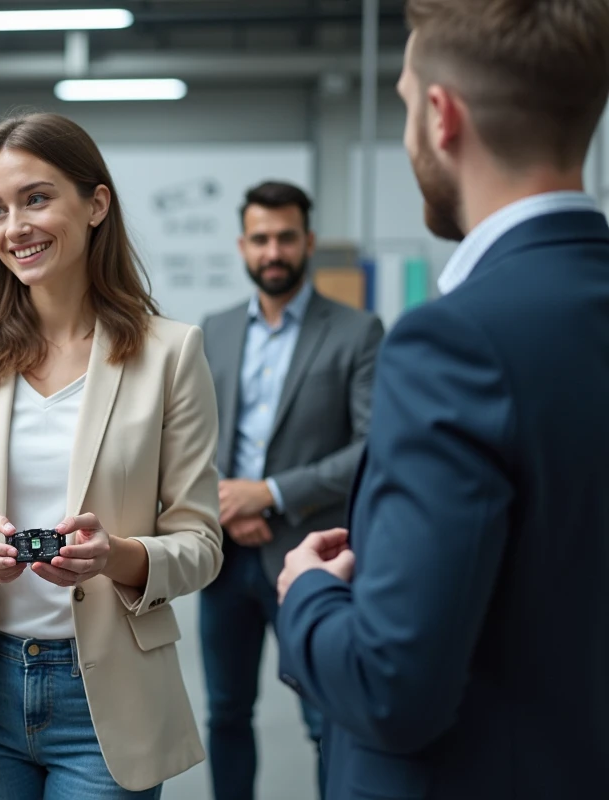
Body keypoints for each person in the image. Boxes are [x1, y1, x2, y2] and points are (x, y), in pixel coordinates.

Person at [275, 2, 609, 798]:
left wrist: (307, 593)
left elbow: (392, 688)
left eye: (401, 103)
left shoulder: (453, 343)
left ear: (440, 114)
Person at [0, 112, 224, 798]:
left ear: (96, 203)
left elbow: (201, 542)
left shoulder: (170, 354)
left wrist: (119, 556)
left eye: (36, 198)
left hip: (106, 703)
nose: (14, 226)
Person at [199, 181, 383, 800]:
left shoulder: (358, 332)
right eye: (260, 239)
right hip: (225, 553)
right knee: (225, 713)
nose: (272, 251)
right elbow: (188, 439)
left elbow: (370, 447)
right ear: (241, 245)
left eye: (285, 237)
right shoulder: (215, 331)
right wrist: (230, 501)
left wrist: (271, 493)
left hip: (312, 557)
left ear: (307, 242)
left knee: (324, 718)